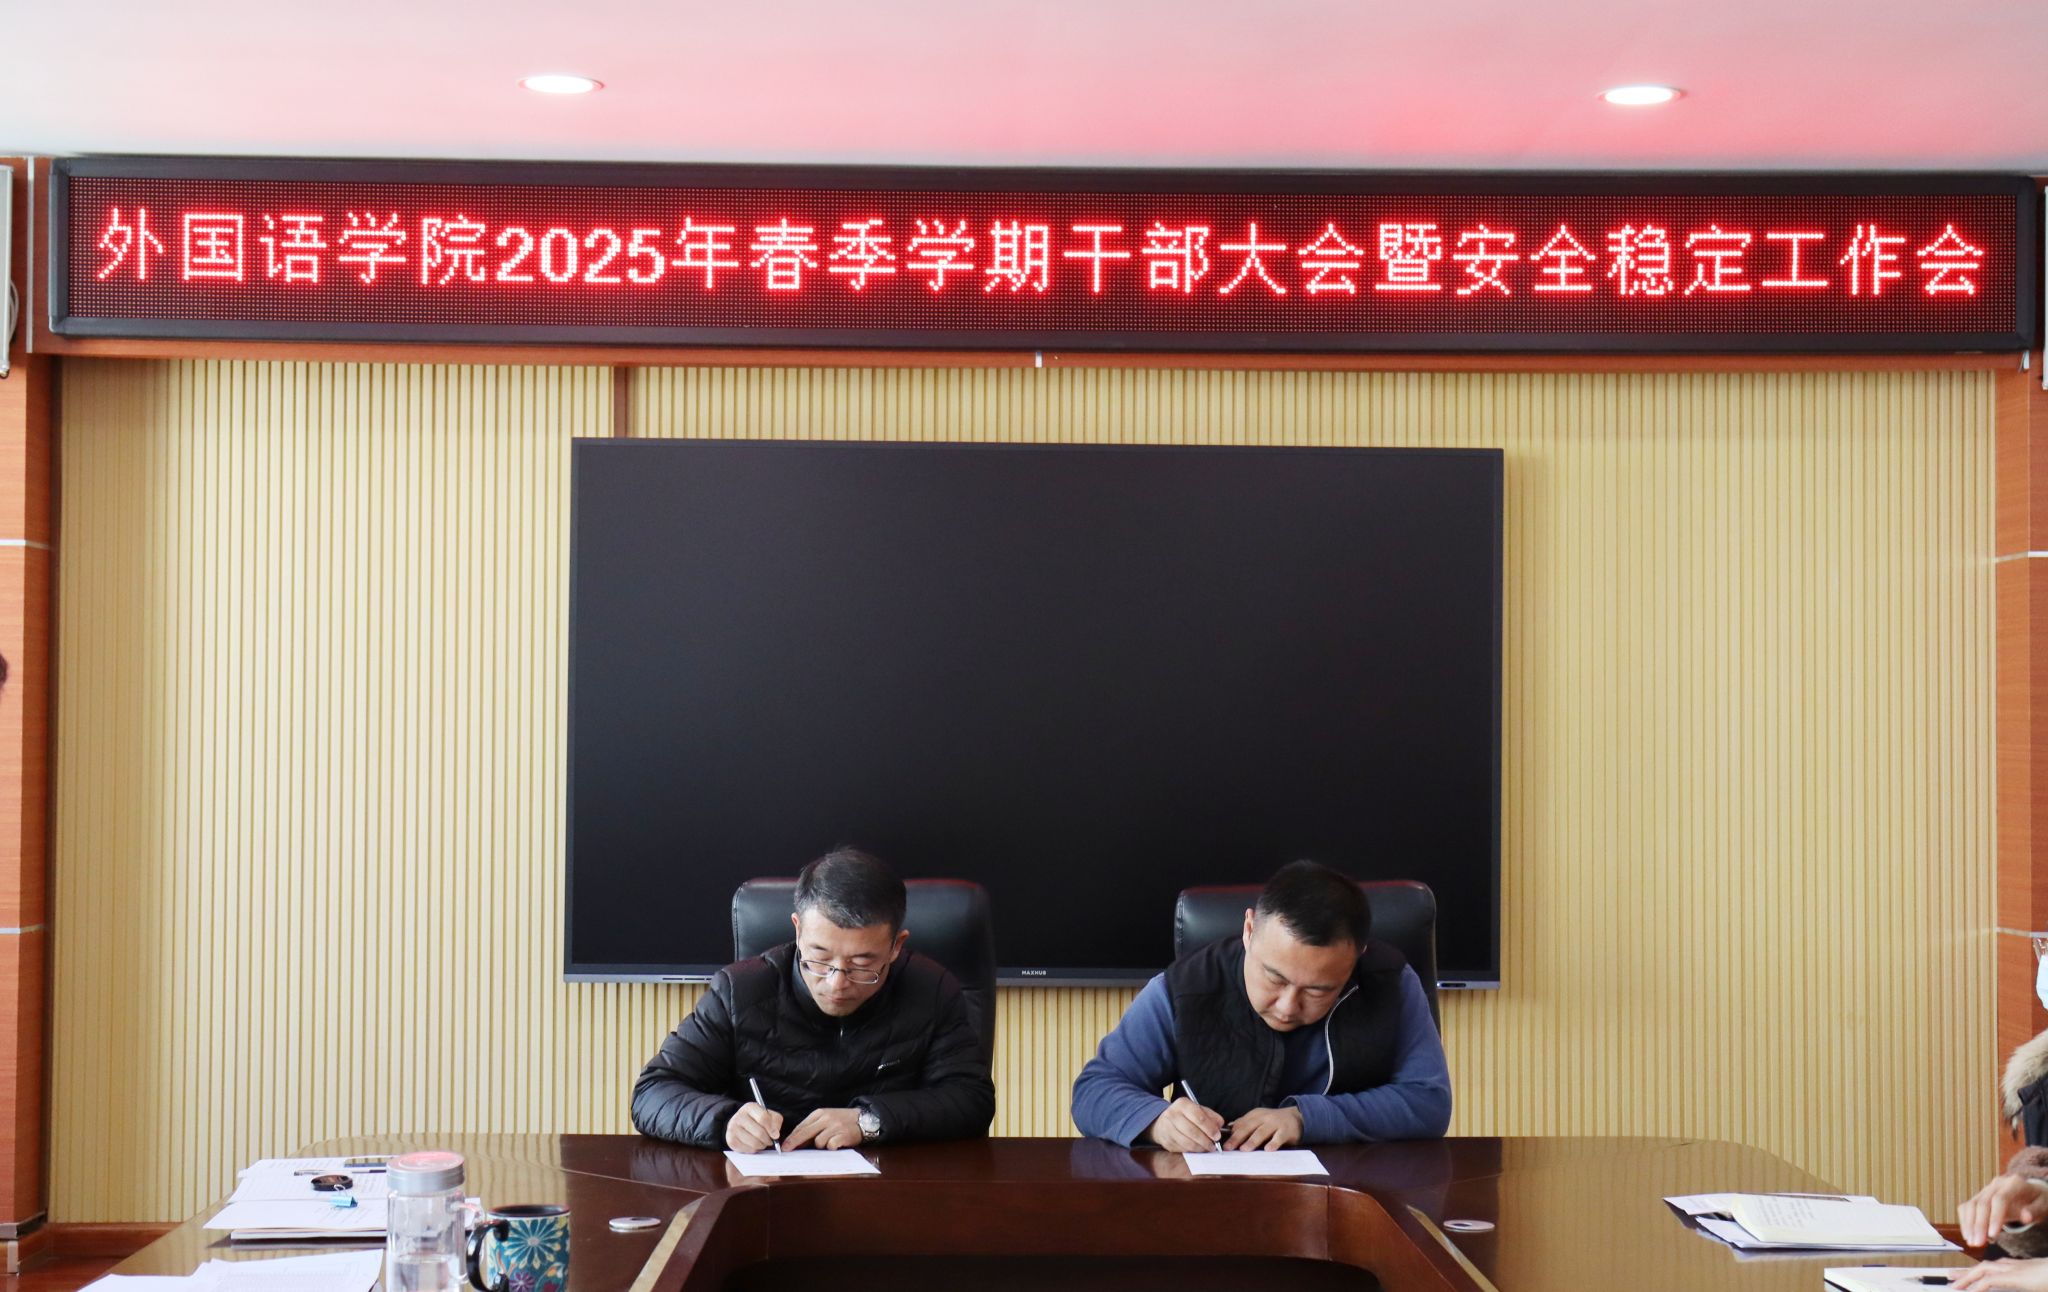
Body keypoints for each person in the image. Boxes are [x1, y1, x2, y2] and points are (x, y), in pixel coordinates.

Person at [1071, 859, 1451, 1151]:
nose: (1287, 1007)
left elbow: (1428, 1102)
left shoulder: (1390, 982)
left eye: (1317, 991)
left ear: (1356, 958)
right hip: (1215, 1196)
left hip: (1357, 1192)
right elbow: (1095, 1090)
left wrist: (1305, 1118)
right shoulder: (1185, 989)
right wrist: (1156, 1121)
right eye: (1275, 979)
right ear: (1249, 930)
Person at [631, 848, 995, 1151]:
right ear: (798, 930)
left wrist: (870, 1120)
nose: (836, 983)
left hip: (889, 1188)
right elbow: (653, 1092)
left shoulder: (931, 989)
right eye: (819, 959)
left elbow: (971, 1100)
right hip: (765, 1190)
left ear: (895, 946)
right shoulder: (739, 992)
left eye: (862, 964)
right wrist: (724, 1120)